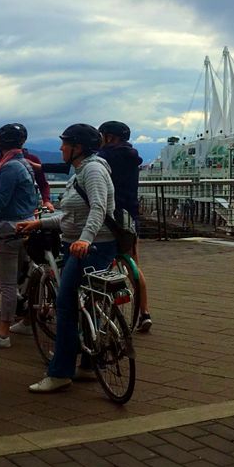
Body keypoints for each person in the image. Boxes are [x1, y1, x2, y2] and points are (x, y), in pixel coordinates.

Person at [16, 123, 116, 393]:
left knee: (66, 305)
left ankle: (60, 372)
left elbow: (99, 207)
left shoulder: (92, 170)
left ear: (78, 148)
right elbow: (71, 216)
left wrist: (85, 239)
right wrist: (39, 224)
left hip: (92, 246)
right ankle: (88, 363)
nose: (60, 148)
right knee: (85, 303)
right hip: (80, 243)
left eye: (64, 143)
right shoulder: (82, 170)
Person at [0, 123, 41, 348]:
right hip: (27, 223)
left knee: (8, 282)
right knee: (26, 277)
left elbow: (1, 202)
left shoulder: (9, 167)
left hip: (8, 228)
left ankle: (2, 333)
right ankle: (28, 321)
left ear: (0, 143)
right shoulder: (25, 164)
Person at [97, 120, 151, 333]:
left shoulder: (104, 157)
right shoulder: (131, 156)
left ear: (109, 137)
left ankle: (105, 313)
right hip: (130, 216)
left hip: (109, 217)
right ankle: (145, 312)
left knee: (102, 264)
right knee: (133, 266)